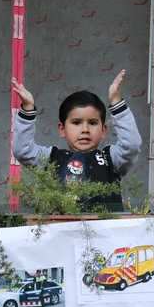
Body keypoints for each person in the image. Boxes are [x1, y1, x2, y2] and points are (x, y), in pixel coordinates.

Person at [11, 70, 142, 210]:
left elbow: (132, 145)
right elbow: (22, 151)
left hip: (105, 231)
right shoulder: (51, 158)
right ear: (62, 129)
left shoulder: (111, 158)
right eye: (76, 122)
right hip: (60, 230)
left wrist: (116, 102)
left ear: (104, 130)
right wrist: (27, 109)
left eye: (92, 123)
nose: (85, 129)